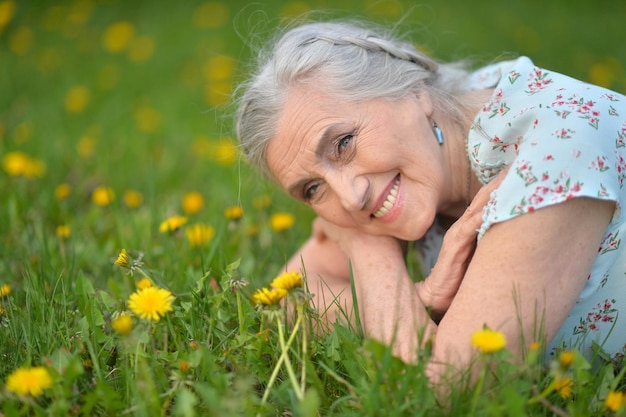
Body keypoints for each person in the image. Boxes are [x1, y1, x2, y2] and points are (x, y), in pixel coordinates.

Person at [235, 20, 626, 378]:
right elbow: (285, 299)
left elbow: (446, 384)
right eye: (313, 189)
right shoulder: (433, 150)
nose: (350, 198)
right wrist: (409, 289)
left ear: (414, 92)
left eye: (343, 143)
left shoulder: (550, 152)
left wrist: (364, 252)